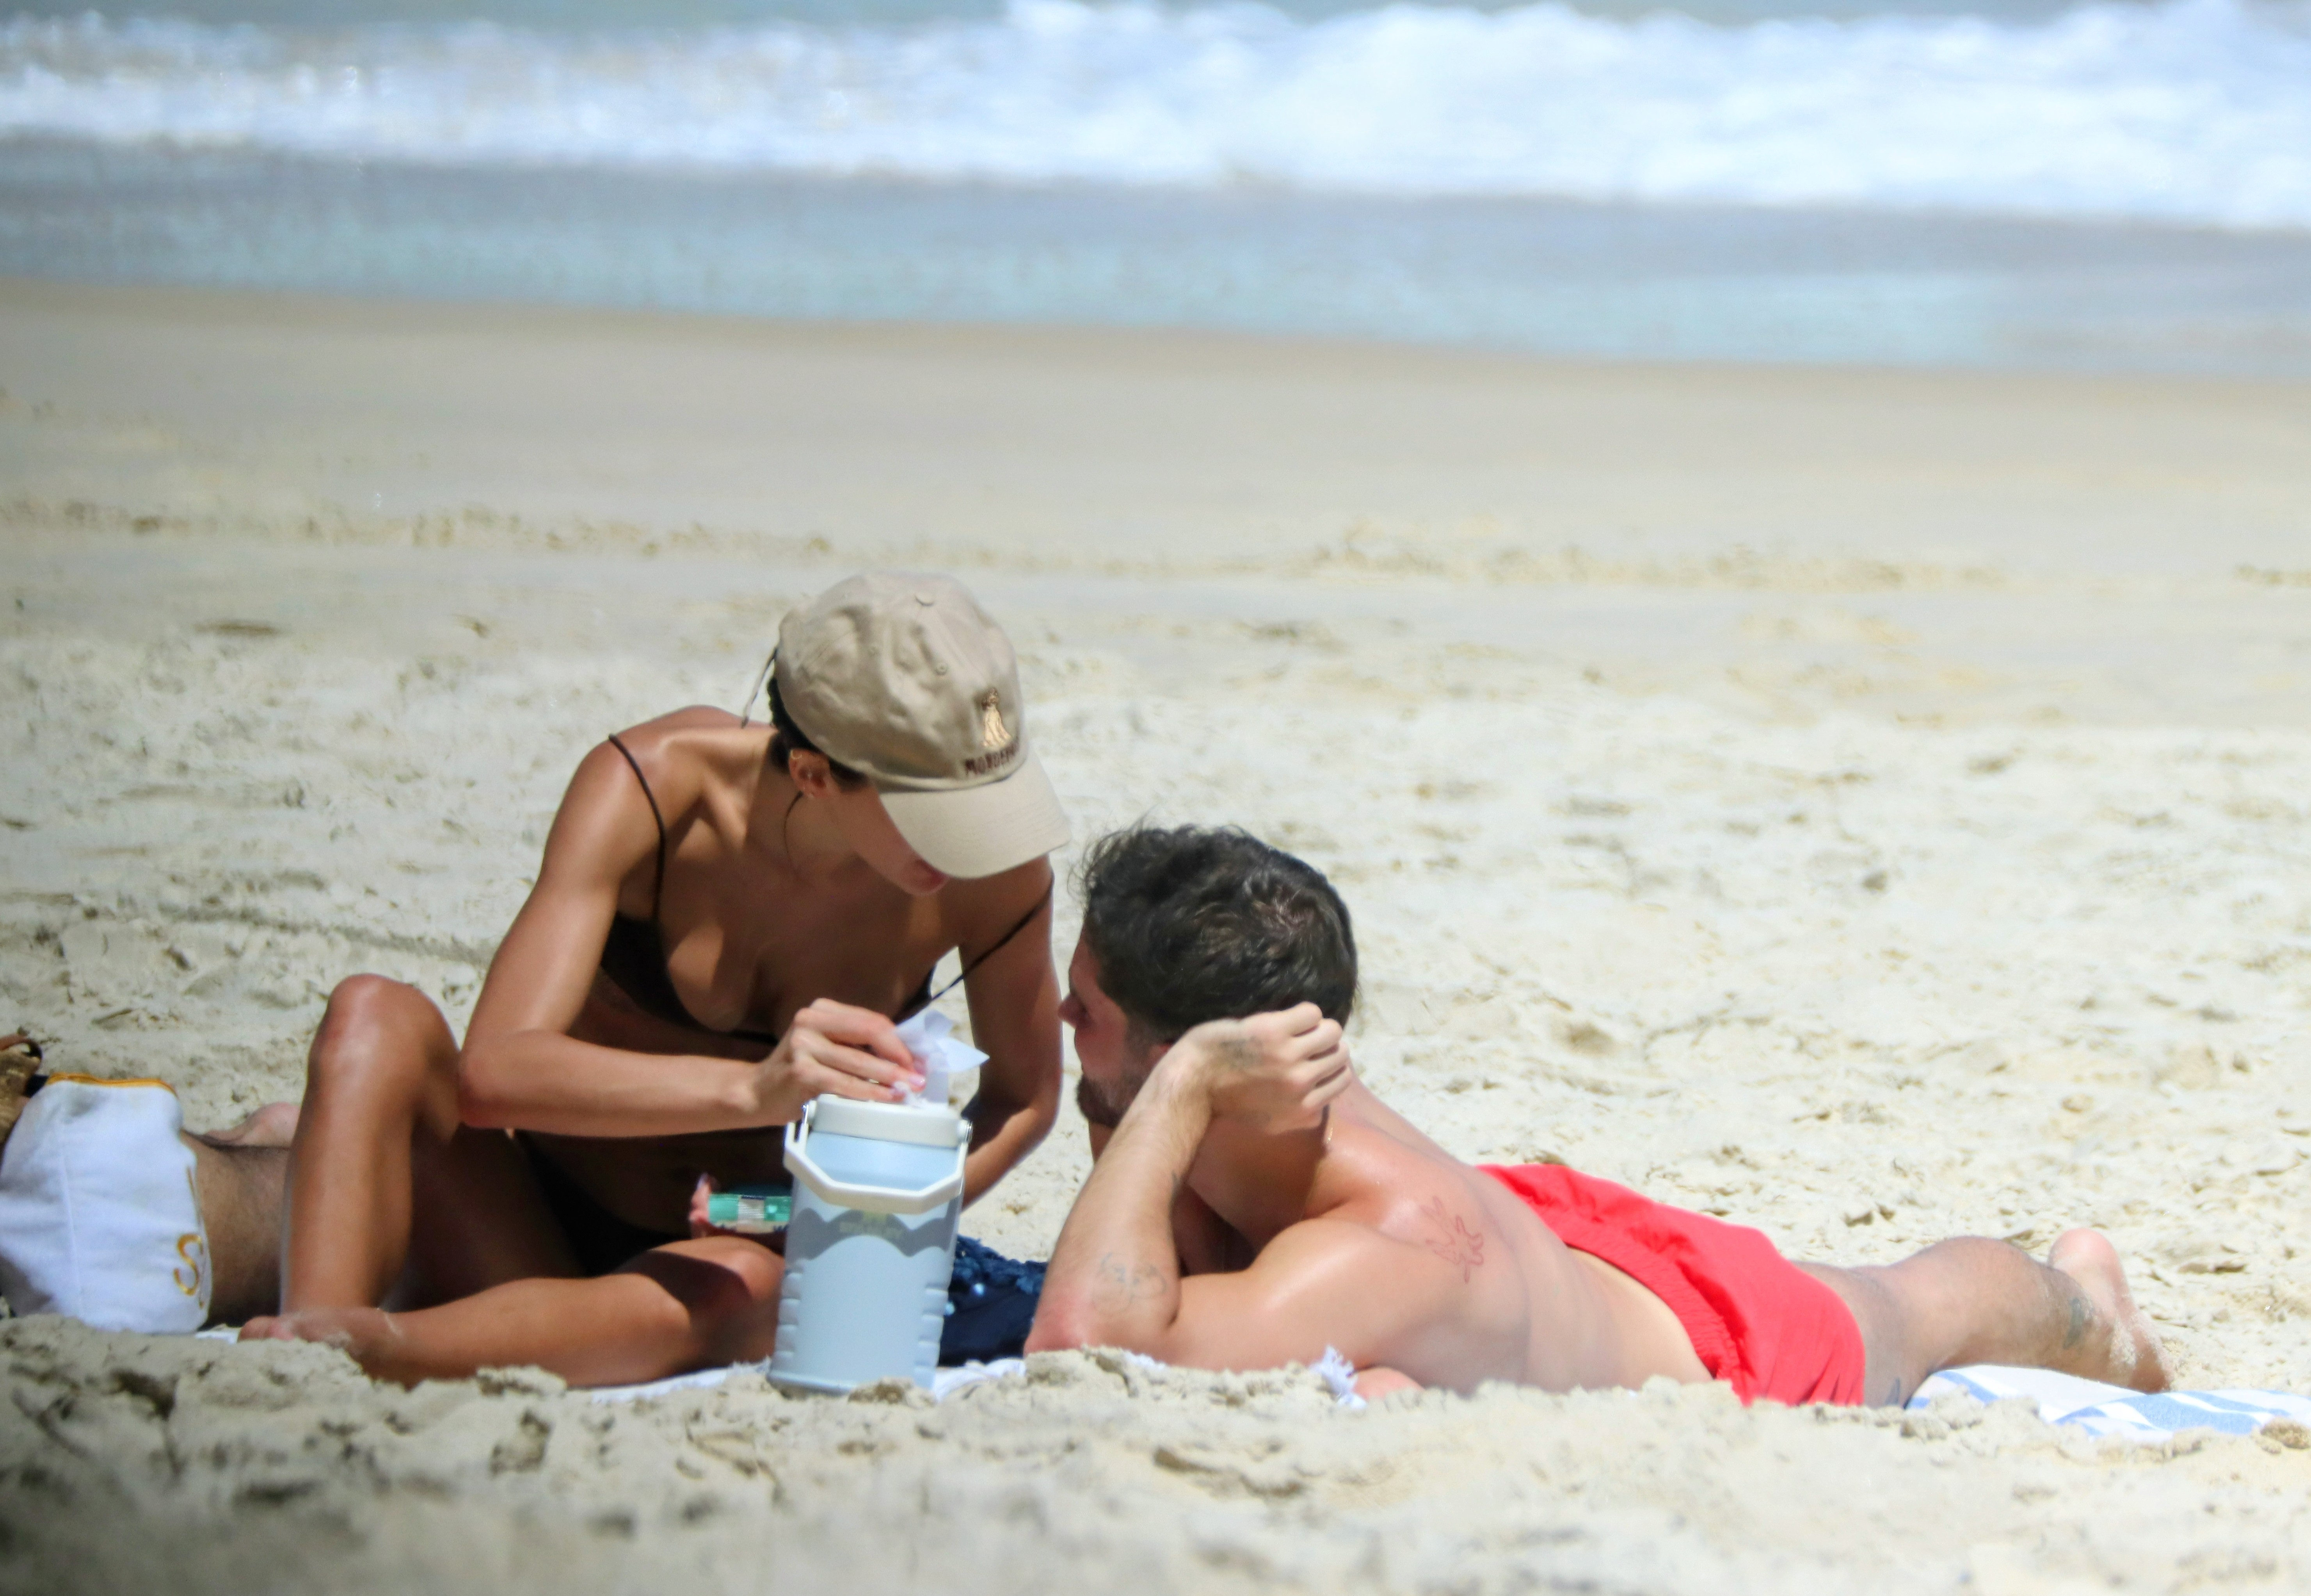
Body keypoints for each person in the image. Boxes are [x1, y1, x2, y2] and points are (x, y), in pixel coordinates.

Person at [207, 572, 1069, 1385]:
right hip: (521, 1224)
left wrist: (815, 1212)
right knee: (372, 1013)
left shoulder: (993, 875)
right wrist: (750, 1091)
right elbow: (494, 1072)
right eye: (938, 817)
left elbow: (1024, 1099)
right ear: (815, 775)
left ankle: (376, 1348)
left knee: (746, 1286)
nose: (976, 844)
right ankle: (304, 1349)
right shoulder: (654, 789)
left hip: (718, 1260)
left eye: (989, 800)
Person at [1025, 826, 2172, 1407]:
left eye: (1087, 1010)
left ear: (1209, 1063)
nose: (1060, 1017)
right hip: (1537, 1233)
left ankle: (2097, 1314)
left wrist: (1165, 1094)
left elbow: (1084, 1348)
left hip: (1724, 1341)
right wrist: (1144, 1095)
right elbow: (1179, 1252)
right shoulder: (1265, 1111)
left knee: (1910, 1303)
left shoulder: (1375, 1247)